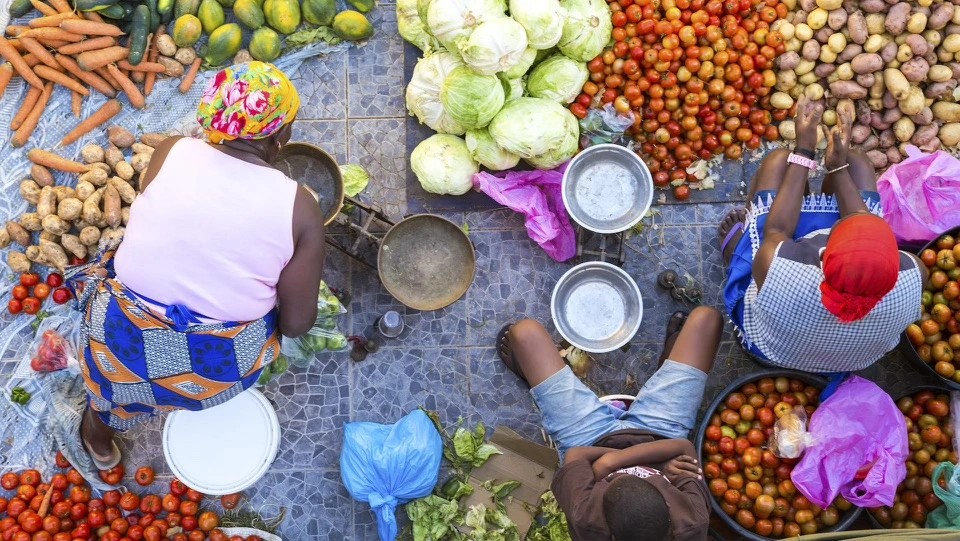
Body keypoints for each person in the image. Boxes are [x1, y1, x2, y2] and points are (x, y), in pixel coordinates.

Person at [67, 62, 326, 469]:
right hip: (214, 370)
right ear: (278, 137)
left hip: (117, 342)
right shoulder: (300, 207)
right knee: (266, 315)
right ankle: (180, 394)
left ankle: (97, 435)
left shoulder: (173, 150)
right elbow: (296, 324)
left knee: (111, 385)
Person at [719, 96, 925, 373]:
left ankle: (740, 249)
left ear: (825, 252)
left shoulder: (783, 271)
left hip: (772, 347)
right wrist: (837, 166)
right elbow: (861, 218)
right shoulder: (915, 274)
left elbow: (777, 230)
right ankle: (840, 168)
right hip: (850, 358)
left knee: (779, 163)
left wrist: (803, 151)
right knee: (856, 164)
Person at [496, 306, 722, 541]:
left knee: (524, 333)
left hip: (589, 441)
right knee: (708, 319)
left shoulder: (587, 520)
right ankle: (665, 366)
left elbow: (576, 455)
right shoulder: (691, 523)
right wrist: (614, 464)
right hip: (660, 435)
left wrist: (608, 462)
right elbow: (683, 446)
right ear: (667, 504)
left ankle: (533, 378)